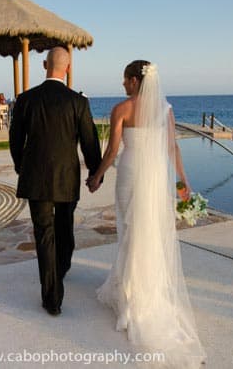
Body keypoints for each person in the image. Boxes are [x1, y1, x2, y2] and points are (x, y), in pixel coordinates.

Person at [86, 61, 206, 368]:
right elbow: (172, 149)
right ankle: (142, 294)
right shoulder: (165, 110)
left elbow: (112, 152)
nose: (123, 85)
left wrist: (96, 176)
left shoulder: (121, 109)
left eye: (125, 80)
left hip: (129, 175)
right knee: (148, 233)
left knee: (129, 231)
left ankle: (131, 298)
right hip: (154, 178)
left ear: (136, 81)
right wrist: (182, 182)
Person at [9, 47, 102, 316]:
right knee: (64, 230)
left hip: (35, 177)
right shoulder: (78, 102)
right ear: (68, 68)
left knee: (44, 234)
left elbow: (16, 140)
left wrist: (21, 166)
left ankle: (52, 296)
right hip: (66, 178)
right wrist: (95, 173)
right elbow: (89, 141)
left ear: (44, 64)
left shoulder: (26, 99)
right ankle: (58, 274)